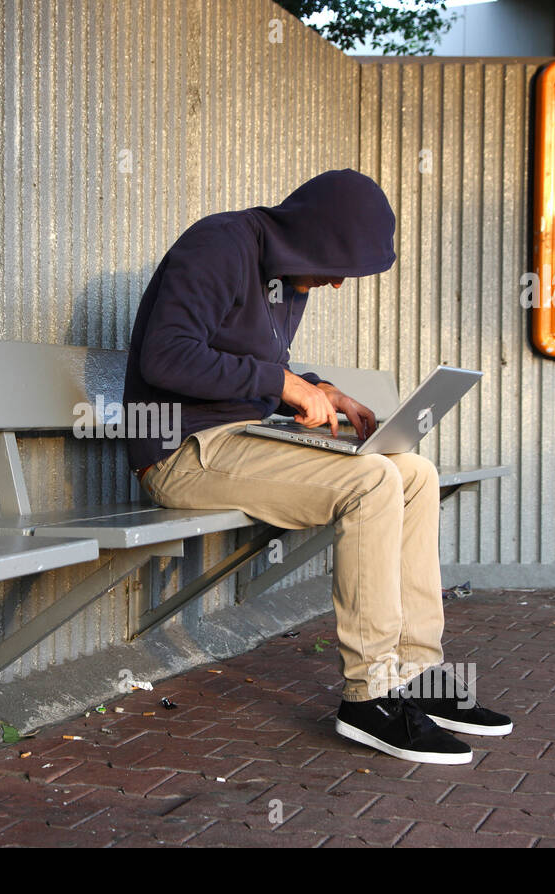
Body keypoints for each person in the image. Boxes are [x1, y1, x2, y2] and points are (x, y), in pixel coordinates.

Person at [123, 169, 511, 765]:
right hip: (182, 451)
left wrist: (321, 389)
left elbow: (246, 360)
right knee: (372, 480)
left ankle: (417, 674)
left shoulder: (285, 277)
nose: (333, 284)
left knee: (414, 473)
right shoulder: (218, 245)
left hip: (240, 438)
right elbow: (167, 355)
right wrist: (281, 381)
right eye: (335, 266)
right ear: (310, 235)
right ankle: (371, 697)